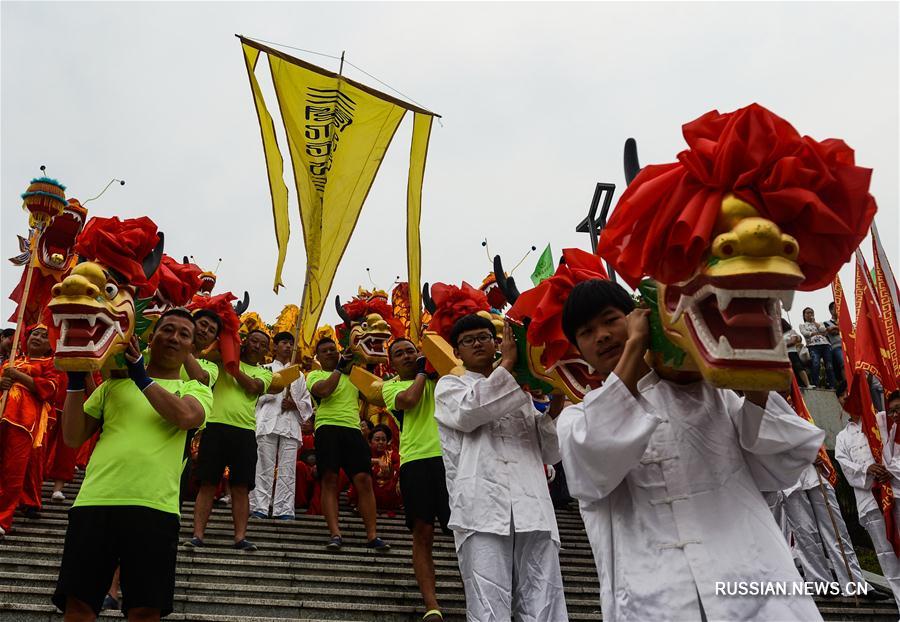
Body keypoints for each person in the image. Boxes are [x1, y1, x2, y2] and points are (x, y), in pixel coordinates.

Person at [556, 279, 825, 621]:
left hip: (751, 581)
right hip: (652, 597)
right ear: (579, 351)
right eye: (587, 331)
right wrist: (636, 344)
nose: (602, 335)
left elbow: (782, 462)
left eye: (611, 320)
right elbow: (593, 467)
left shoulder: (714, 394)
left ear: (639, 316)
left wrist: (750, 378)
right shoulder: (576, 419)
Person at [51, 308, 212, 620]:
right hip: (95, 502)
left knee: (144, 610)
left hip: (156, 508)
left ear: (192, 348)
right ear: (151, 337)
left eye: (184, 334)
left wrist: (140, 376)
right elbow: (72, 436)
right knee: (79, 605)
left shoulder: (196, 390)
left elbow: (184, 417)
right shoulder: (112, 386)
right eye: (167, 329)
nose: (174, 338)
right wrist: (74, 379)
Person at [434, 315, 568, 621]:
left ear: (497, 342)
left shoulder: (521, 393)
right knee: (488, 604)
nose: (479, 343)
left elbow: (550, 451)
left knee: (544, 601)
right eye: (469, 340)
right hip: (481, 510)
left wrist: (556, 402)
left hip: (532, 506)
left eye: (485, 336)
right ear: (457, 352)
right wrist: (507, 366)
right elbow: (470, 412)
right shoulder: (449, 387)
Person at [382, 338, 451, 622]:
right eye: (399, 354)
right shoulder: (391, 386)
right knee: (422, 535)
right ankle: (431, 605)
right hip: (416, 462)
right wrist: (424, 372)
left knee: (464, 533)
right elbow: (409, 402)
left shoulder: (443, 379)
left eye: (411, 350)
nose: (407, 356)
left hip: (451, 460)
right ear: (392, 363)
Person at [187, 329, 272, 551]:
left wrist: (233, 370)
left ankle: (240, 537)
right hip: (215, 426)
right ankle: (198, 535)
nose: (257, 346)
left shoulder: (264, 373)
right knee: (207, 483)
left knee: (241, 487)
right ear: (245, 342)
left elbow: (253, 387)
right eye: (253, 341)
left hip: (244, 432)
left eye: (263, 345)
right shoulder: (222, 361)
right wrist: (227, 340)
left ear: (266, 352)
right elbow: (209, 349)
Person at [307, 337, 390, 551]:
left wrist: (369, 363)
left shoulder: (353, 375)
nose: (330, 353)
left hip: (353, 429)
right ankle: (335, 533)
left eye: (332, 349)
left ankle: (372, 535)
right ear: (318, 357)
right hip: (327, 428)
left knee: (363, 479)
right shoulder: (315, 375)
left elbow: (374, 395)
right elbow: (324, 391)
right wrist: (340, 371)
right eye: (324, 351)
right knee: (330, 479)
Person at [835, 387, 900, 608]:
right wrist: (867, 469)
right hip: (869, 501)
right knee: (885, 554)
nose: (846, 399)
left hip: (893, 493)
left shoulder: (880, 420)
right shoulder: (842, 437)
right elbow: (845, 467)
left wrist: (888, 469)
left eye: (849, 394)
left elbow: (895, 447)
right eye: (842, 396)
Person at [0, 324, 61, 536]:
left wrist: (17, 375)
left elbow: (50, 389)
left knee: (14, 469)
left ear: (50, 345)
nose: (38, 338)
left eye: (45, 336)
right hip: (2, 414)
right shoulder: (13, 360)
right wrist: (3, 381)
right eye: (35, 333)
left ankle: (4, 517)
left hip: (25, 422)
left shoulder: (51, 363)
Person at [250, 331, 313, 520]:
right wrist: (275, 394)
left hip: (290, 424)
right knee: (263, 467)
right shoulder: (265, 369)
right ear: (275, 346)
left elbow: (306, 402)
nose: (288, 346)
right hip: (267, 421)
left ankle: (284, 509)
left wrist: (294, 404)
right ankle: (259, 506)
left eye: (291, 343)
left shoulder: (299, 375)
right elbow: (254, 396)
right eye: (284, 342)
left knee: (288, 470)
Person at [800, 307, 835, 389]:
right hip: (813, 346)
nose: (810, 314)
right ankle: (815, 384)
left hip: (825, 345)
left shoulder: (819, 323)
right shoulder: (802, 325)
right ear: (804, 315)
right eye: (807, 313)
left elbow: (823, 330)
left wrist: (815, 323)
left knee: (829, 365)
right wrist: (817, 333)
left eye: (811, 313)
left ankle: (832, 385)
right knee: (816, 363)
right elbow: (805, 333)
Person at [823, 302, 846, 388]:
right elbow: (833, 332)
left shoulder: (844, 320)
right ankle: (846, 384)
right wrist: (841, 328)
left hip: (847, 346)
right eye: (836, 308)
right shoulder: (827, 323)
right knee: (843, 364)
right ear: (831, 310)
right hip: (837, 347)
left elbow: (848, 330)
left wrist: (836, 328)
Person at [783, 319, 811, 388]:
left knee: (799, 368)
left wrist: (782, 346)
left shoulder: (791, 331)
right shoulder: (779, 334)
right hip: (784, 355)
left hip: (792, 352)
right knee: (790, 370)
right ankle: (797, 385)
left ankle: (807, 384)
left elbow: (794, 341)